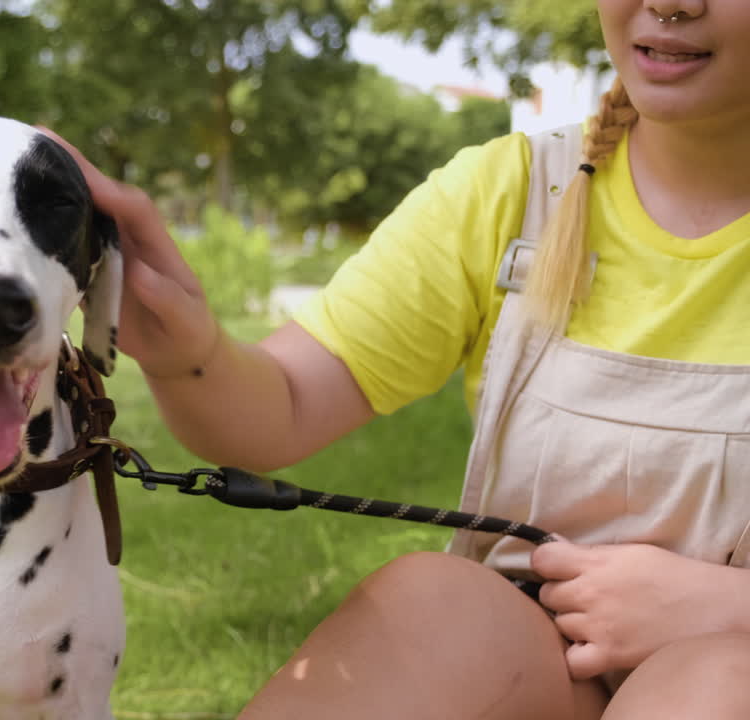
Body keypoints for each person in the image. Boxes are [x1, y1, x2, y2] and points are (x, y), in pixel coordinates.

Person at [45, 0, 750, 717]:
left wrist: (728, 607)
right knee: (433, 604)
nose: (671, 4)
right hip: (544, 656)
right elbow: (285, 403)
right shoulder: (513, 194)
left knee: (719, 683)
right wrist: (186, 351)